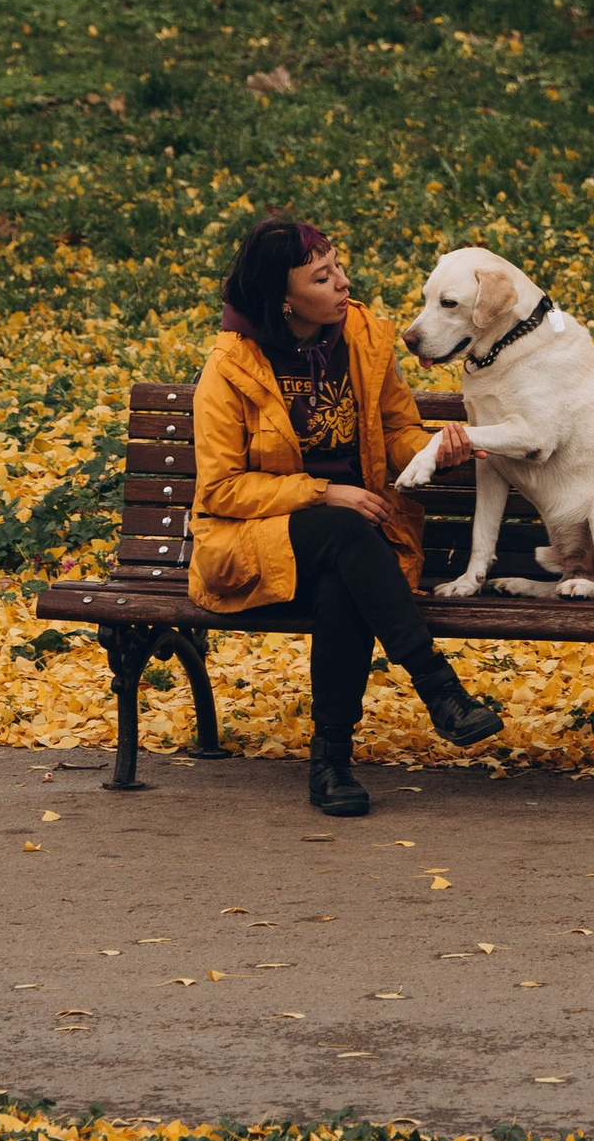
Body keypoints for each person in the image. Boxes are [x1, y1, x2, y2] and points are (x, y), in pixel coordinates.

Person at [191, 211, 499, 816]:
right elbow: (221, 489)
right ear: (282, 300)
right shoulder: (230, 368)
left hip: (358, 550)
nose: (342, 285)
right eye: (321, 278)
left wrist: (439, 450)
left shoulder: (362, 337)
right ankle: (438, 688)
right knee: (342, 528)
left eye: (338, 268)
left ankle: (331, 763)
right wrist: (323, 493)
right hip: (253, 546)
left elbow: (398, 432)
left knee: (344, 576)